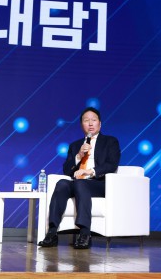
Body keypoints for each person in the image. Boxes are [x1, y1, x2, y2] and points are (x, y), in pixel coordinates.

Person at [38, 107, 120, 249]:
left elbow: (112, 165)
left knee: (80, 183)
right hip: (78, 183)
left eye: (94, 120)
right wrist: (79, 156)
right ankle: (52, 232)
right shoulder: (75, 145)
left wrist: (90, 171)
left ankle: (85, 233)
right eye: (86, 121)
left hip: (99, 184)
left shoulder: (110, 141)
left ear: (100, 124)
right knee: (62, 183)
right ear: (82, 125)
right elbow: (66, 170)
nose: (90, 123)